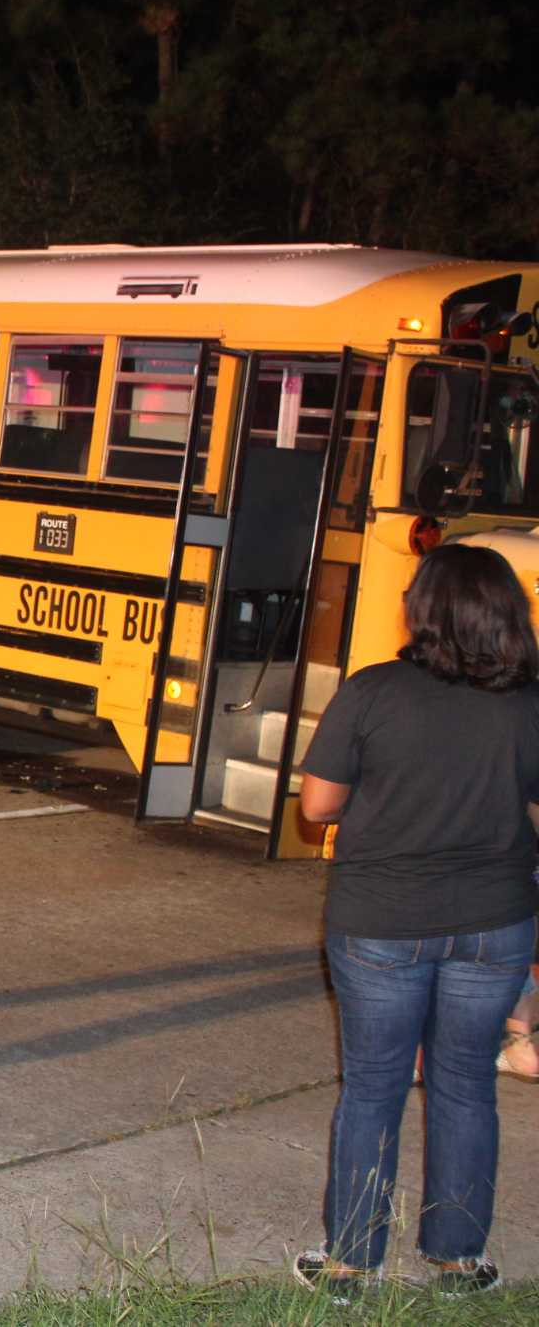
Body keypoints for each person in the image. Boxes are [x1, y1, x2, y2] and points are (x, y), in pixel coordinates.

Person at [293, 543, 539, 1301]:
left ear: (424, 610)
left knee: (373, 1085)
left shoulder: (373, 692)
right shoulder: (530, 703)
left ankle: (350, 1264)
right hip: (495, 921)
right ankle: (459, 1260)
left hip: (382, 923)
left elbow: (317, 807)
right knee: (466, 1084)